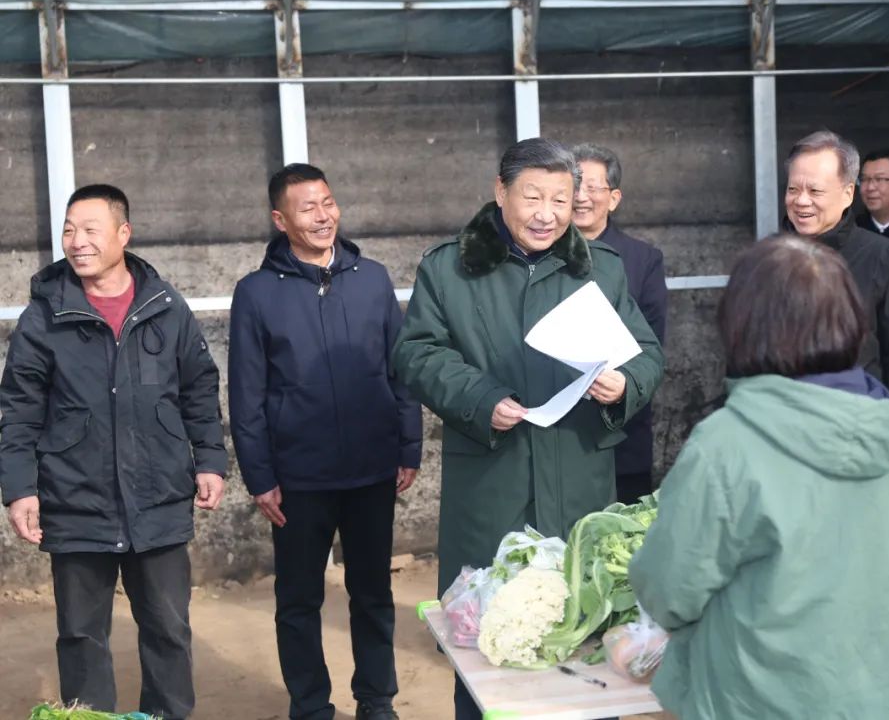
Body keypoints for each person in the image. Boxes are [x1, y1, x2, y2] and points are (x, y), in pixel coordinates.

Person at [391, 137, 664, 720]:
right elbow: (417, 353)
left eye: (561, 200)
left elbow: (646, 353)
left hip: (579, 482)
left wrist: (624, 383)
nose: (547, 214)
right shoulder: (449, 268)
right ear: (500, 192)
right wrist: (480, 397)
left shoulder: (600, 269)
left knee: (586, 643)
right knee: (490, 640)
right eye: (533, 197)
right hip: (494, 482)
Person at [629, 234, 889, 720]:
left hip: (764, 702)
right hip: (888, 700)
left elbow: (669, 591)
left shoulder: (728, 444)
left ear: (744, 324)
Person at [0, 184, 227, 720]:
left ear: (124, 234)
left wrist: (210, 459)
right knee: (81, 637)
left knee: (168, 630)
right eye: (68, 231)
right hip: (76, 500)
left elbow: (198, 388)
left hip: (158, 497)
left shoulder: (165, 307)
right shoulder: (44, 316)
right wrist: (20, 488)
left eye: (90, 230)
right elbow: (19, 408)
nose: (76, 242)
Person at [228, 164, 421, 720]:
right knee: (298, 599)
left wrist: (408, 445)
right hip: (298, 477)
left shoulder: (372, 278)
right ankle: (311, 706)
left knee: (373, 593)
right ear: (280, 219)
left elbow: (400, 370)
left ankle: (377, 701)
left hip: (371, 468)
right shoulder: (256, 293)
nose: (322, 216)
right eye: (307, 207)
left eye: (328, 202)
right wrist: (260, 476)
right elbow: (246, 394)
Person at [784, 129, 889, 428]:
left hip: (858, 431)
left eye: (815, 191)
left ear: (848, 194)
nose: (801, 201)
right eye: (793, 189)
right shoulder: (770, 260)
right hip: (784, 429)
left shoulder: (886, 258)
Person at [571, 143, 667, 503]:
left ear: (613, 199)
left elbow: (653, 343)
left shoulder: (643, 259)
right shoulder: (539, 257)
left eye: (592, 187)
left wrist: (625, 383)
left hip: (621, 425)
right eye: (574, 185)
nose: (581, 197)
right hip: (556, 432)